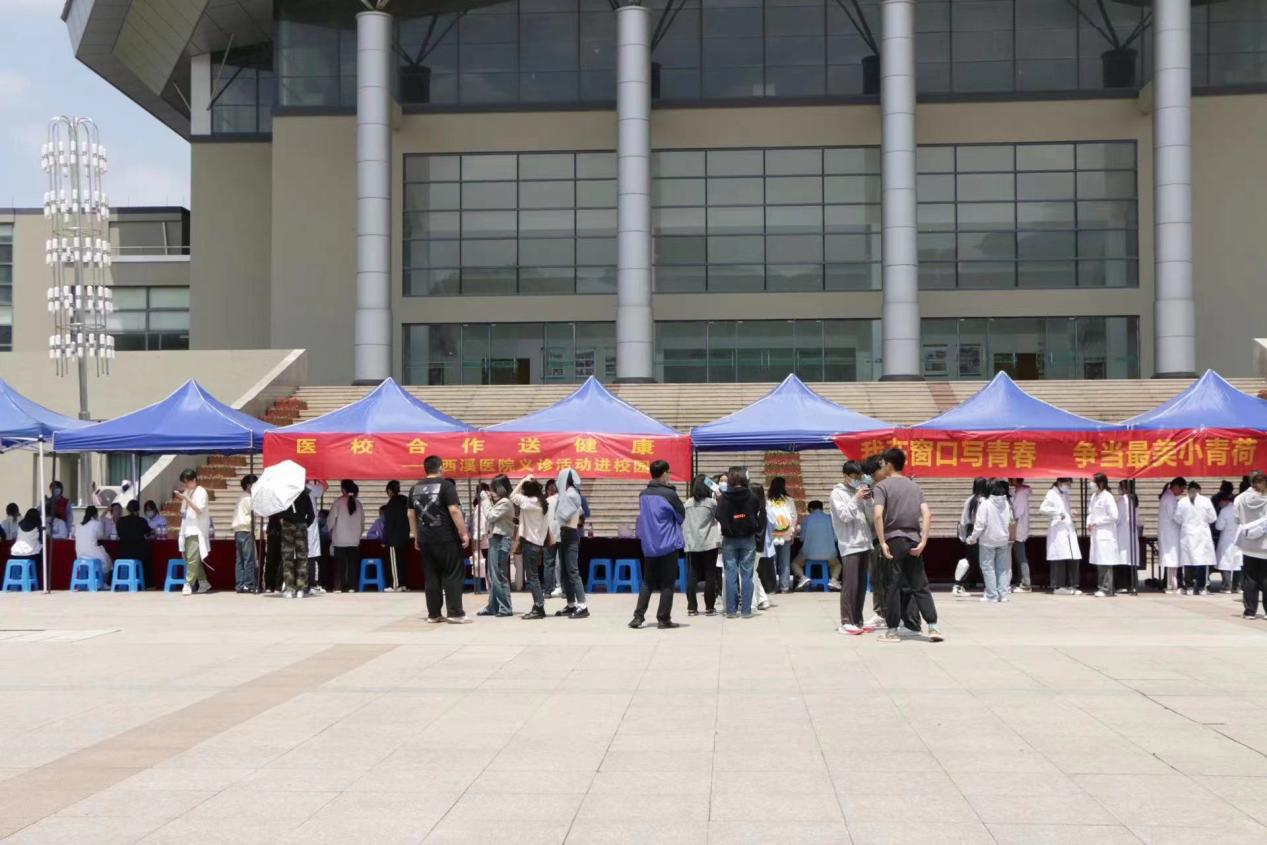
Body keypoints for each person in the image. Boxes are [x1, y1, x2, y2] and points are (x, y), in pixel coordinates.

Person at [872, 448, 942, 642]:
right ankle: (933, 627)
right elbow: (927, 514)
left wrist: (882, 542)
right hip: (913, 539)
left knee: (892, 586)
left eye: (883, 463)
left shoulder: (882, 486)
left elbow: (877, 515)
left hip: (894, 539)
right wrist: (923, 541)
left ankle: (892, 631)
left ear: (888, 464)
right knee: (920, 584)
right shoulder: (914, 487)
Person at [408, 455, 471, 624]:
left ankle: (434, 614)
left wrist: (416, 536)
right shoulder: (446, 486)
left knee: (432, 576)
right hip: (446, 538)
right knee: (452, 573)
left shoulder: (414, 488)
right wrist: (464, 533)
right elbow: (454, 510)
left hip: (425, 539)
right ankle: (455, 613)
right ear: (441, 468)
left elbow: (410, 514)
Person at [629, 460, 686, 630]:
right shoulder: (669, 494)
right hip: (668, 543)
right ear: (664, 473)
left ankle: (638, 617)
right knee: (667, 583)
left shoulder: (643, 495)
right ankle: (663, 619)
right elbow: (681, 516)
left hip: (649, 544)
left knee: (648, 582)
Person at [830, 461, 875, 634]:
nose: (857, 480)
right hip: (849, 544)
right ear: (845, 475)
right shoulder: (837, 493)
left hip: (865, 542)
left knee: (861, 585)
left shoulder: (860, 491)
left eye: (859, 477)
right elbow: (845, 516)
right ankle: (846, 621)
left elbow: (870, 518)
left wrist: (869, 501)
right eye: (854, 477)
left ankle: (857, 620)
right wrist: (856, 498)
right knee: (851, 584)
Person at [717, 466, 760, 618]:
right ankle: (746, 610)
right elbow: (756, 512)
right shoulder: (752, 496)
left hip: (729, 539)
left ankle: (731, 610)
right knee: (747, 575)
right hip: (748, 538)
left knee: (730, 574)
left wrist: (729, 523)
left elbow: (718, 515)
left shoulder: (724, 497)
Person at [967, 479, 1014, 603]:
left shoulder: (985, 504)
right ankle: (1003, 595)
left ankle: (992, 595)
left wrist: (972, 538)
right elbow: (1010, 520)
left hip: (988, 540)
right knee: (1002, 569)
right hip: (1003, 539)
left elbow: (980, 524)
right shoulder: (1006, 503)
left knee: (988, 568)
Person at [511, 475, 551, 619]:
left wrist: (523, 479)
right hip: (537, 542)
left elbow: (512, 495)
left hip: (530, 542)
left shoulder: (529, 502)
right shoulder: (542, 502)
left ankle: (539, 607)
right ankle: (538, 606)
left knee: (532, 577)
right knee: (533, 576)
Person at [683, 474, 722, 616]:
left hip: (692, 543)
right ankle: (709, 607)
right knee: (710, 574)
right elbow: (720, 516)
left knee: (692, 573)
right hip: (709, 543)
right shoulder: (711, 503)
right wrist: (719, 497)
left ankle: (691, 607)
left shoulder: (687, 504)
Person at [554, 468, 590, 618]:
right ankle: (571, 604)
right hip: (565, 534)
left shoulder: (571, 494)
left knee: (573, 571)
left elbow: (562, 515)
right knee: (565, 572)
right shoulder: (568, 494)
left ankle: (582, 605)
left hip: (570, 534)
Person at [478, 474, 515, 617]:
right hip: (496, 540)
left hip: (501, 540)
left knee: (498, 575)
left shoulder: (505, 502)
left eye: (493, 489)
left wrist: (485, 500)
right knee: (494, 575)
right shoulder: (501, 502)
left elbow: (491, 516)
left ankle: (505, 607)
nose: (491, 492)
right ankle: (493, 606)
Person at [1235, 470, 1267, 619]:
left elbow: (1236, 519)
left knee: (1250, 578)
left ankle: (1250, 611)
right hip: (1265, 545)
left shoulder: (1240, 498)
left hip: (1248, 544)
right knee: (1266, 578)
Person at [1040, 478, 1081, 594]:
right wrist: (1058, 513)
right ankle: (1058, 586)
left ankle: (1071, 585)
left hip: (1067, 530)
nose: (1069, 486)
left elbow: (1065, 510)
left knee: (1071, 556)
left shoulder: (1064, 494)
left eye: (1070, 484)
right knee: (1059, 557)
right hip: (1058, 531)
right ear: (1059, 483)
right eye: (1067, 484)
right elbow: (1043, 508)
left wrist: (1070, 512)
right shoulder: (1051, 493)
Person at [1175, 480, 1216, 595]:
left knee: (1188, 561)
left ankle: (1189, 587)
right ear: (1199, 490)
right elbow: (1212, 518)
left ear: (1188, 490)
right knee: (1202, 561)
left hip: (1187, 535)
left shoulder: (1182, 501)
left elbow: (1177, 518)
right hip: (1202, 535)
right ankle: (1202, 587)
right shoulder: (1206, 501)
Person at [175, 469, 212, 595]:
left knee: (192, 558)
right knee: (193, 558)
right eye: (184, 483)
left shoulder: (201, 492)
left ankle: (188, 583)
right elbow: (183, 514)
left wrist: (186, 498)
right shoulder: (187, 492)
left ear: (194, 480)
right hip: (187, 529)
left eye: (187, 482)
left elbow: (199, 510)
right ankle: (203, 581)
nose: (185, 485)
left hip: (197, 530)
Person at [326, 479, 364, 593]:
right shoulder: (358, 504)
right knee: (352, 565)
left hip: (340, 539)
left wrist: (329, 532)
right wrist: (358, 535)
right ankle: (352, 586)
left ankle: (338, 586)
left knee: (339, 565)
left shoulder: (338, 503)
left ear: (343, 489)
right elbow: (362, 523)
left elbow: (330, 521)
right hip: (354, 540)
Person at [1087, 473, 1121, 597]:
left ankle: (1107, 588)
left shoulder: (1108, 497)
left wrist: (1097, 522)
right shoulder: (1094, 497)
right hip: (1096, 534)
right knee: (1099, 561)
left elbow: (1114, 516)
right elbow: (1090, 512)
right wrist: (1089, 522)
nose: (1091, 484)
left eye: (1093, 482)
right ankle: (1101, 586)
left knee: (1105, 561)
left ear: (1100, 483)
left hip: (1106, 534)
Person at [792, 500, 838, 591]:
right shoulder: (830, 519)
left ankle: (803, 578)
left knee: (794, 563)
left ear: (811, 509)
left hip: (809, 554)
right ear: (821, 508)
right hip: (829, 555)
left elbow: (802, 539)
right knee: (837, 564)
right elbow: (836, 538)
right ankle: (833, 580)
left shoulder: (807, 519)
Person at [279, 485, 314, 598]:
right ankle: (301, 589)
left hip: (287, 526)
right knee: (302, 558)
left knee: (287, 558)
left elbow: (279, 513)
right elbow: (312, 515)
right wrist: (304, 523)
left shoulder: (285, 494)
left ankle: (289, 588)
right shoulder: (305, 494)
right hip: (301, 525)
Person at [955, 477, 988, 597]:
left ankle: (960, 584)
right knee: (985, 560)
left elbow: (964, 520)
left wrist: (963, 536)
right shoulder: (987, 501)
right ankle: (988, 586)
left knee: (970, 559)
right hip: (984, 532)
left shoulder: (970, 500)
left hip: (971, 530)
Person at [766, 477, 797, 593]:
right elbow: (794, 517)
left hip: (771, 535)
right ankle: (784, 586)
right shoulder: (789, 500)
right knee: (785, 562)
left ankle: (772, 587)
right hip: (786, 534)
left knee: (772, 562)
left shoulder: (768, 500)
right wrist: (791, 531)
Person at [382, 480, 412, 592]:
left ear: (390, 491)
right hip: (404, 536)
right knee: (402, 561)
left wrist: (385, 539)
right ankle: (402, 584)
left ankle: (395, 584)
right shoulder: (404, 501)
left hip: (393, 538)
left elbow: (388, 524)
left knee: (394, 562)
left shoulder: (391, 504)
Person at [1158, 477, 1186, 592]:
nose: (1182, 492)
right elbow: (1174, 516)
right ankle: (1170, 585)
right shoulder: (1170, 498)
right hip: (1170, 533)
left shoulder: (1168, 496)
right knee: (1171, 559)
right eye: (1182, 489)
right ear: (1176, 486)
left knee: (1172, 559)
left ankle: (1172, 584)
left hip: (1169, 532)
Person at [232, 474, 259, 593]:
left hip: (238, 530)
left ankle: (240, 584)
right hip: (246, 529)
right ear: (249, 485)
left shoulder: (241, 497)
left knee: (240, 559)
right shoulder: (248, 498)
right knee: (249, 558)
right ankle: (249, 584)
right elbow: (256, 512)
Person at [115, 499, 152, 581]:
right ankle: (145, 582)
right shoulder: (142, 521)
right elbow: (149, 533)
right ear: (138, 509)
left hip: (123, 552)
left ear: (128, 509)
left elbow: (119, 534)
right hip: (139, 554)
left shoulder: (120, 521)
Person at [75, 506, 113, 584]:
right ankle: (103, 583)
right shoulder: (96, 523)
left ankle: (89, 583)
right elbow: (101, 536)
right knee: (108, 561)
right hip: (92, 554)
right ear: (95, 514)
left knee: (103, 559)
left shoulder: (78, 525)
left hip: (80, 555)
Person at [1214, 485, 1242, 593]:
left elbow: (1219, 527)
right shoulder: (1239, 510)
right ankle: (1237, 586)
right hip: (1238, 539)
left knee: (1225, 563)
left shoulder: (1224, 511)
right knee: (1237, 564)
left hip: (1226, 539)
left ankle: (1227, 586)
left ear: (1223, 501)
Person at [1116, 480, 1141, 595]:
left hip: (1122, 533)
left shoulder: (1122, 500)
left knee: (1122, 559)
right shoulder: (1134, 499)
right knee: (1130, 559)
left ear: (1125, 488)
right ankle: (1132, 585)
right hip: (1132, 533)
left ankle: (1122, 585)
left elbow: (1117, 518)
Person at [1009, 478, 1033, 592]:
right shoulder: (1019, 493)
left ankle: (1025, 583)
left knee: (1020, 556)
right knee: (1019, 556)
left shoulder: (1020, 494)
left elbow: (1017, 514)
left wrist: (1012, 530)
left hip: (1018, 529)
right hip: (1019, 529)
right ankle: (1021, 581)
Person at [305, 480, 327, 594]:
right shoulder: (309, 488)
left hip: (297, 526)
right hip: (310, 526)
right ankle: (311, 584)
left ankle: (296, 584)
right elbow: (325, 487)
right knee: (311, 556)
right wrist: (319, 477)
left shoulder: (292, 489)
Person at [543, 478, 561, 598]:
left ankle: (548, 591)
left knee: (549, 563)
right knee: (562, 562)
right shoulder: (563, 499)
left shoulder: (546, 501)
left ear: (548, 490)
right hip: (562, 534)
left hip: (549, 535)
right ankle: (564, 589)